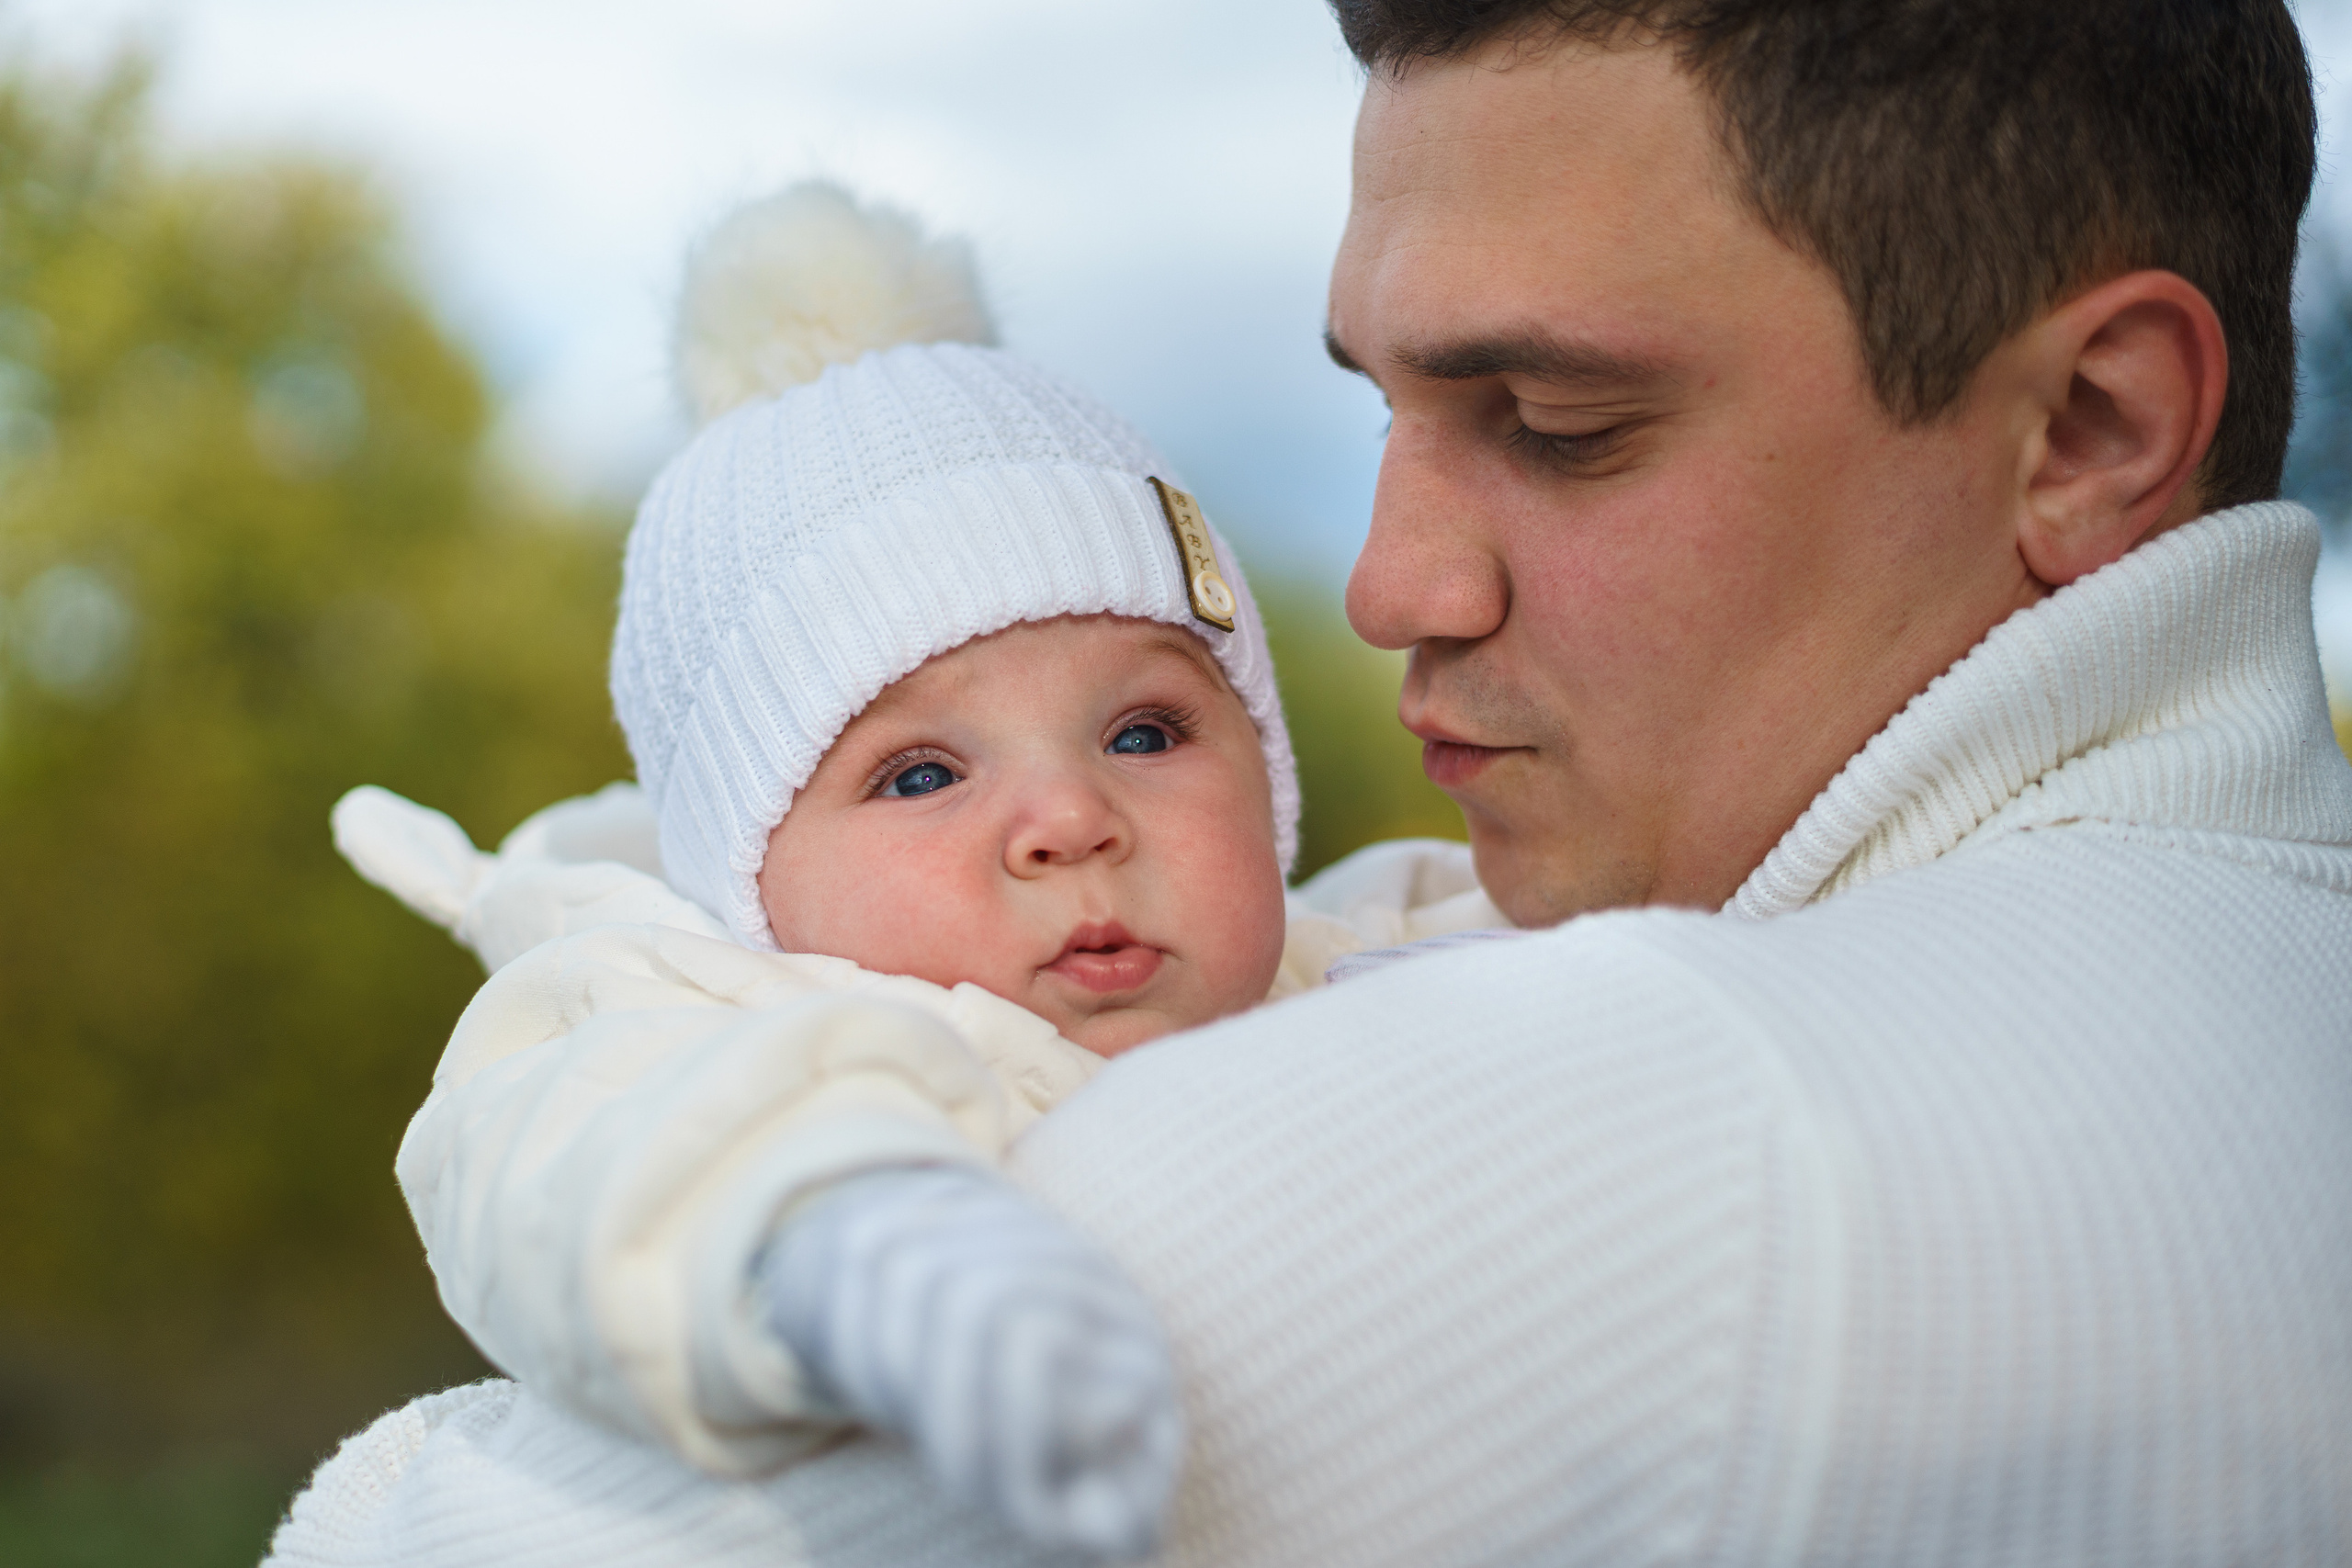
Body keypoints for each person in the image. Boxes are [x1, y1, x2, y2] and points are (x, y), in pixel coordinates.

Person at [279, 2, 2352, 1563]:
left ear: (2087, 422)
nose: (1381, 584)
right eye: (1378, 411)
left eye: (1552, 418)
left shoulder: (1660, 1139)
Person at [277, 183, 1504, 1565]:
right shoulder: (672, 1012)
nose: (1070, 818)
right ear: (751, 885)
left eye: (1146, 731)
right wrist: (857, 1252)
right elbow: (583, 1175)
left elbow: (1603, 960)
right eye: (921, 773)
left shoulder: (1346, 954)